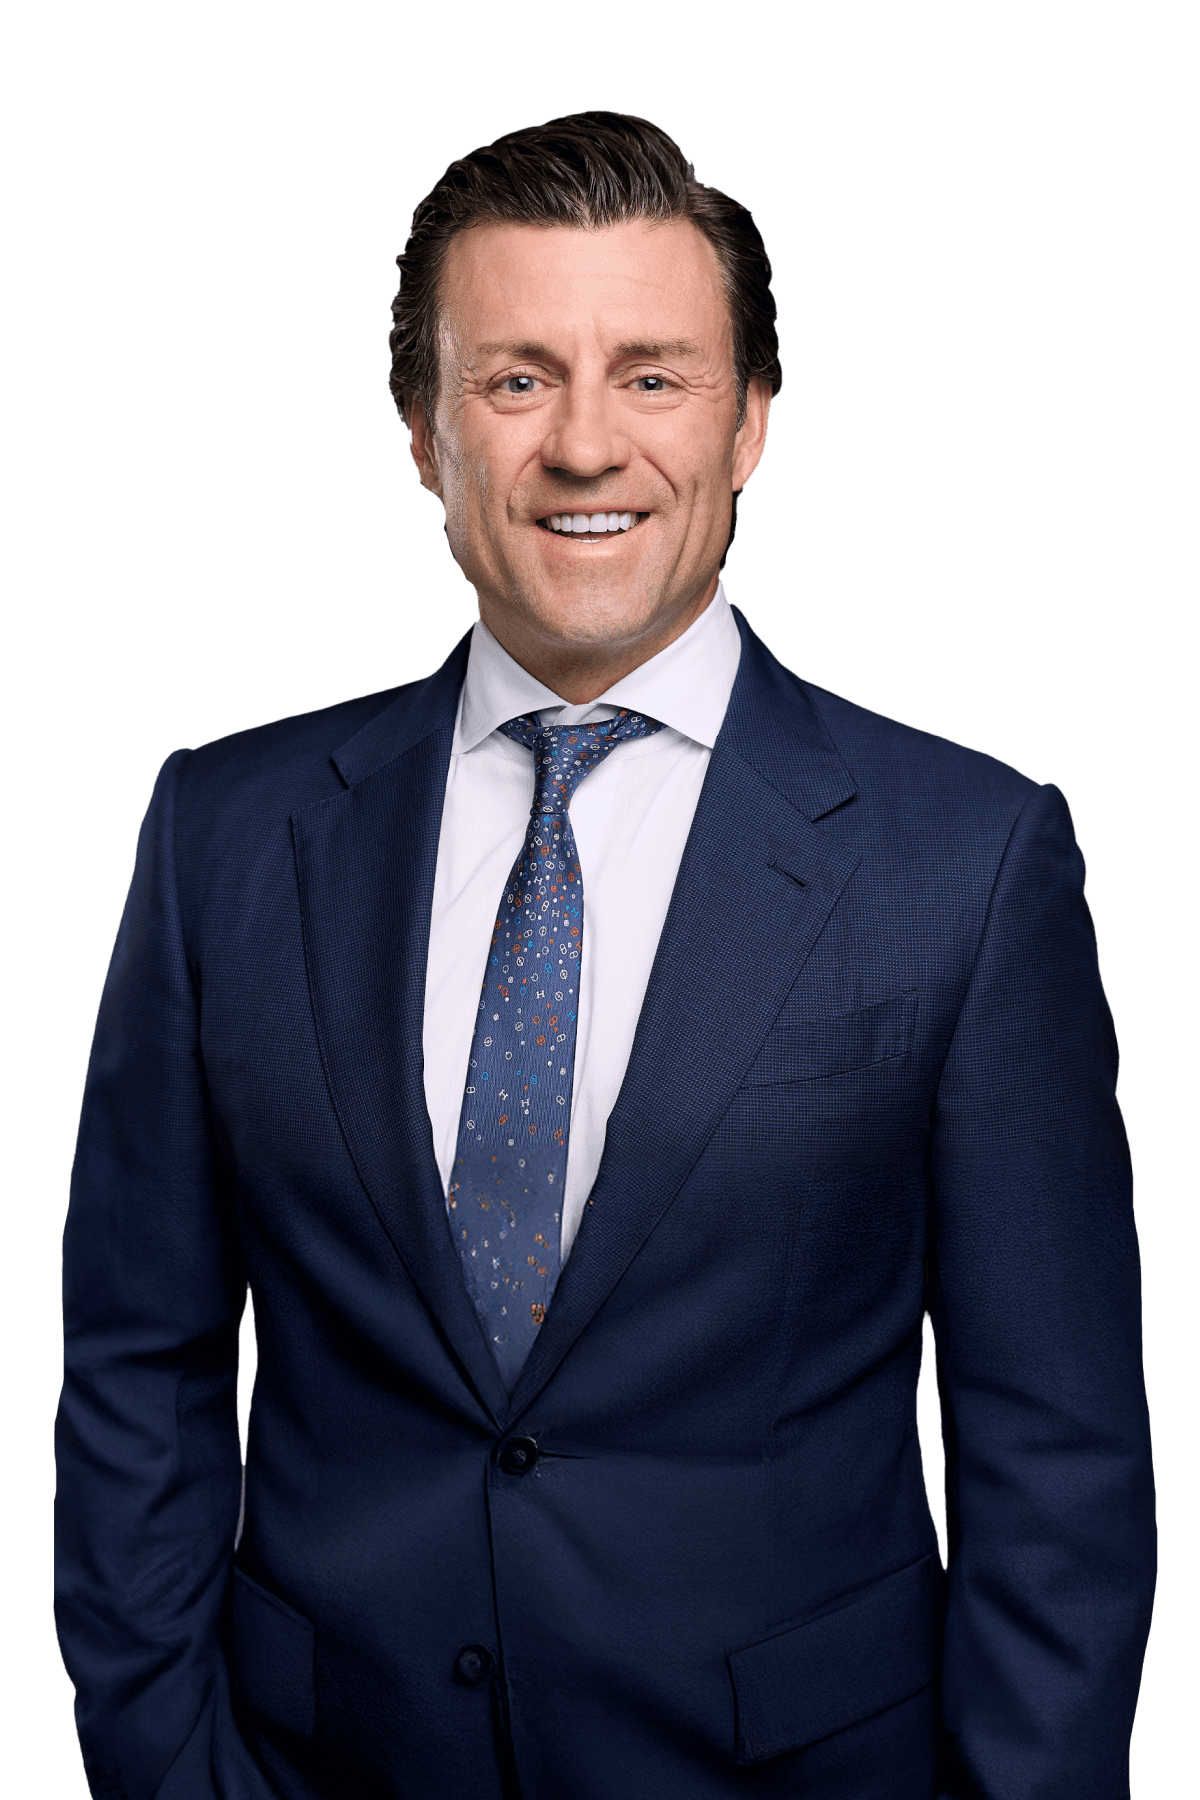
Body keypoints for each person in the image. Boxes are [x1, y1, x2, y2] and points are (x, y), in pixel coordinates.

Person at [55, 111, 1156, 1800]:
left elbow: (1057, 1460)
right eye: (515, 381)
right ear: (425, 432)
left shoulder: (972, 859)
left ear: (751, 420)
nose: (585, 445)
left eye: (652, 375)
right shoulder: (224, 833)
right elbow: (139, 1365)